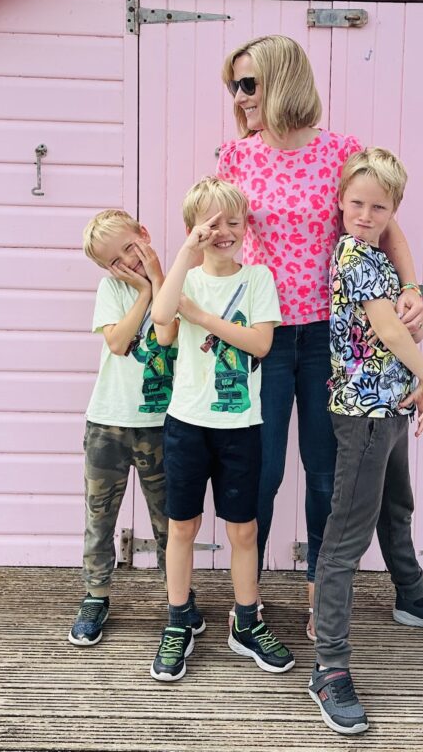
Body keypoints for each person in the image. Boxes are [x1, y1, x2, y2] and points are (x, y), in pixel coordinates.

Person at [216, 35, 423, 640]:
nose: (239, 95)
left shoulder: (341, 152)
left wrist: (411, 289)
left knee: (324, 471)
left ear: (283, 80)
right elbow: (216, 234)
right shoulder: (237, 158)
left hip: (331, 341)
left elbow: (385, 230)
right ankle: (247, 604)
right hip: (260, 336)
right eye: (234, 84)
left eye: (248, 83)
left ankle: (319, 601)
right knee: (259, 471)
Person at [308, 149, 423, 736]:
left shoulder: (377, 253)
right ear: (340, 203)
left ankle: (410, 593)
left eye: (378, 206)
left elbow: (392, 323)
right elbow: (383, 328)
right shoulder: (355, 256)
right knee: (344, 539)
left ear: (393, 210)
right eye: (355, 203)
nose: (364, 213)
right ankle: (329, 665)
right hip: (364, 412)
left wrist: (411, 350)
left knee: (396, 505)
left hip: (389, 407)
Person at [149, 176, 294, 681]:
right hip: (187, 424)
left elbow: (260, 344)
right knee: (181, 527)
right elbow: (164, 321)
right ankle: (178, 620)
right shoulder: (182, 279)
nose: (224, 231)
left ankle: (247, 622)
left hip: (240, 426)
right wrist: (184, 259)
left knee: (243, 529)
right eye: (211, 224)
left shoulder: (256, 279)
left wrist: (202, 316)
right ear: (193, 229)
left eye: (234, 221)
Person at [69, 210, 179, 647]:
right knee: (100, 516)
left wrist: (157, 283)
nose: (128, 262)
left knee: (170, 521)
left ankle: (178, 600)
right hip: (108, 423)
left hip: (161, 424)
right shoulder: (112, 289)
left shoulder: (179, 283)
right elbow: (117, 343)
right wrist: (141, 291)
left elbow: (170, 332)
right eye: (115, 261)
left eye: (131, 248)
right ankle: (96, 596)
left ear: (144, 234)